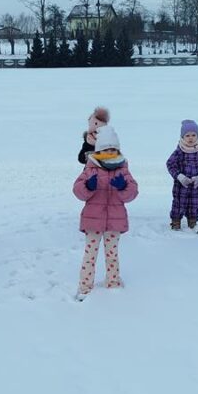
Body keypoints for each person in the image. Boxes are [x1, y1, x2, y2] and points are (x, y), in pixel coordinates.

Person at [72, 125, 139, 299]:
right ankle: (85, 286)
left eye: (113, 149)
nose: (110, 152)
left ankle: (113, 282)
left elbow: (132, 193)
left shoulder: (122, 168)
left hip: (115, 221)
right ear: (99, 150)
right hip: (93, 220)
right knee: (90, 255)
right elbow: (77, 191)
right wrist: (88, 186)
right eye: (106, 149)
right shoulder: (90, 168)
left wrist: (124, 187)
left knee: (112, 254)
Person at [166, 119, 198, 231]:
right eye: (187, 135)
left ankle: (193, 220)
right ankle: (176, 221)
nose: (190, 138)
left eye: (193, 135)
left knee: (195, 203)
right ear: (182, 137)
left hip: (197, 185)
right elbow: (170, 164)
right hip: (181, 185)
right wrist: (179, 176)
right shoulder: (179, 151)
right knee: (178, 203)